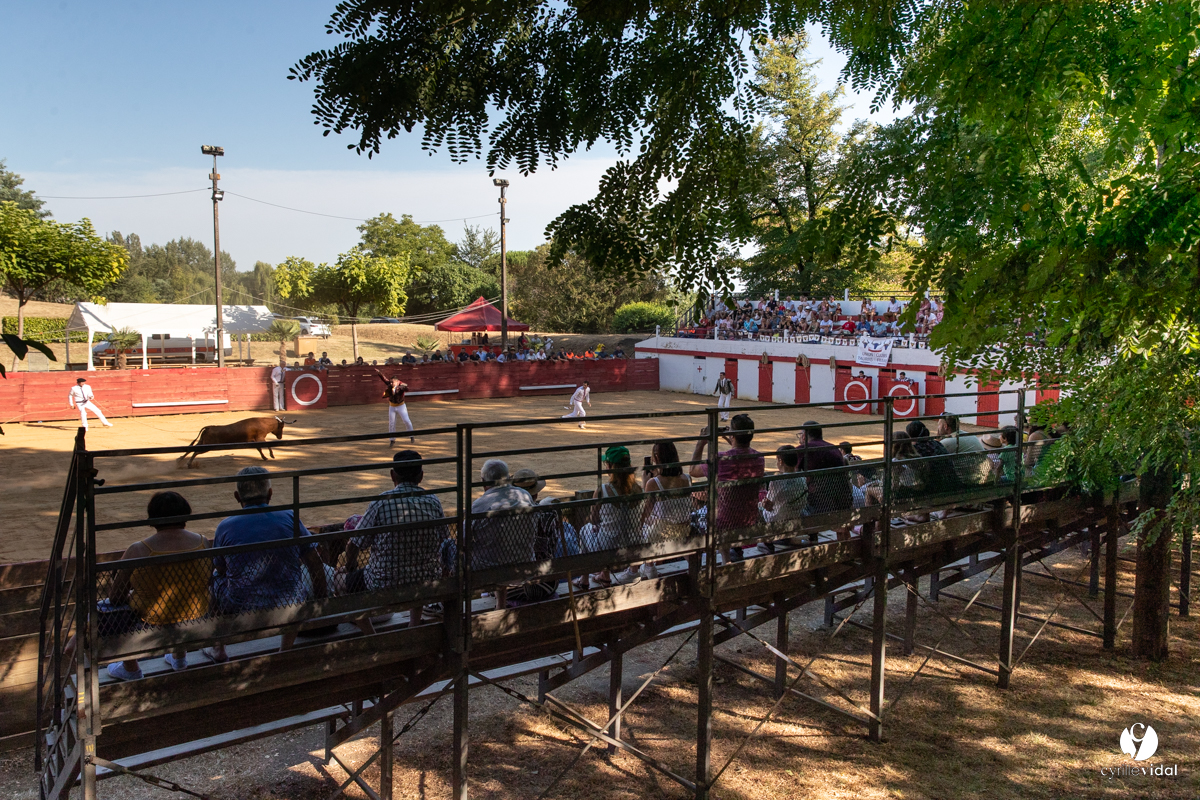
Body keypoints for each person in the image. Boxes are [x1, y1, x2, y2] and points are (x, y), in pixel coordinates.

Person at [209, 468, 331, 659]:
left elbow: (221, 568)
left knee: (215, 579)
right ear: (270, 493)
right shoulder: (289, 517)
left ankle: (218, 646)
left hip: (241, 606)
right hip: (291, 605)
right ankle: (286, 647)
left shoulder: (225, 526)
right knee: (295, 583)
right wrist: (321, 602)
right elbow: (314, 562)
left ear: (237, 497)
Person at [102, 491, 211, 680]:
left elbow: (116, 597)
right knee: (183, 595)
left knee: (109, 608)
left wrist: (133, 595)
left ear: (152, 519)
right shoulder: (203, 542)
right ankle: (179, 658)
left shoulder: (138, 549)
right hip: (198, 615)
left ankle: (130, 668)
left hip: (150, 621)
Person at [345, 451, 450, 624]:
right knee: (417, 572)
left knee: (342, 582)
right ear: (421, 476)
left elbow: (354, 544)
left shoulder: (381, 502)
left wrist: (350, 568)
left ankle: (370, 633)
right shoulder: (433, 501)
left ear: (392, 475)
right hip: (426, 582)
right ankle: (414, 624)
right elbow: (446, 541)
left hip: (384, 584)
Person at [689, 413, 764, 562]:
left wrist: (701, 443)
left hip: (723, 522)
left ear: (733, 435)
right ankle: (728, 556)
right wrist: (730, 437)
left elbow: (693, 471)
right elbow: (742, 452)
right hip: (749, 519)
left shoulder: (720, 459)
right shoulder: (759, 458)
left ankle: (721, 560)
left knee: (693, 520)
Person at [469, 459, 537, 607]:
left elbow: (463, 540)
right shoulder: (525, 495)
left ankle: (446, 603)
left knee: (449, 547)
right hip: (525, 566)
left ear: (483, 482)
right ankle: (501, 603)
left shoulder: (479, 505)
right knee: (502, 547)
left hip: (488, 570)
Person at [584, 446, 645, 585]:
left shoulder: (602, 490)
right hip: (633, 544)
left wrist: (600, 524)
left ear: (610, 466)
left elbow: (593, 519)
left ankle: (597, 576)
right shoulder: (639, 489)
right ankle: (633, 571)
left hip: (609, 547)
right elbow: (641, 519)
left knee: (585, 530)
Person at [796, 422, 853, 514]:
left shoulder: (802, 449)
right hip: (840, 500)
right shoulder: (834, 449)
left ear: (804, 436)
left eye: (800, 434)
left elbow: (794, 475)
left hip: (816, 501)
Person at [759, 445, 808, 549]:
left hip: (779, 518)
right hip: (796, 515)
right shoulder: (802, 478)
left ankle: (767, 541)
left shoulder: (777, 481)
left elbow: (768, 505)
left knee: (758, 509)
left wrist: (763, 504)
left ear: (781, 461)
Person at [937, 413, 989, 484]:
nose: (938, 428)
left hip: (968, 483)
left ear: (945, 426)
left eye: (939, 425)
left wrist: (938, 438)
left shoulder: (946, 443)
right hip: (984, 479)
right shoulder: (970, 435)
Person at [376, 369, 414, 446]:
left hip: (401, 406)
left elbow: (407, 388)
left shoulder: (401, 387)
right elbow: (384, 379)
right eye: (390, 382)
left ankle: (411, 435)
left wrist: (402, 386)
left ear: (397, 382)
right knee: (391, 423)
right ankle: (392, 440)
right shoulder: (390, 385)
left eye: (392, 382)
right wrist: (379, 373)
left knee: (406, 421)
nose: (391, 383)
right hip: (392, 406)